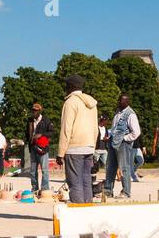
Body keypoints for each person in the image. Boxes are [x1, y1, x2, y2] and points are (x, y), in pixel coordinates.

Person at [59, 74, 99, 202]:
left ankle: (78, 210)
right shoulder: (91, 103)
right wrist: (93, 147)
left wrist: (61, 152)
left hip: (74, 147)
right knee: (86, 180)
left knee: (74, 182)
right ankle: (87, 210)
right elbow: (95, 128)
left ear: (70, 87)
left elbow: (66, 129)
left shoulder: (70, 102)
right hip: (89, 146)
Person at [107, 94, 140, 199]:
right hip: (113, 143)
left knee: (124, 168)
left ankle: (126, 192)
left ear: (126, 102)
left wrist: (125, 138)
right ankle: (108, 190)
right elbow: (114, 127)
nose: (118, 102)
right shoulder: (117, 112)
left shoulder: (131, 114)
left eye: (120, 100)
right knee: (110, 168)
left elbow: (136, 132)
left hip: (123, 145)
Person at [25, 102, 53, 197]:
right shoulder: (29, 121)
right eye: (33, 110)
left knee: (44, 170)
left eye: (36, 110)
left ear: (40, 111)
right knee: (33, 171)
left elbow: (52, 132)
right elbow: (27, 133)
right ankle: (34, 188)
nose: (34, 112)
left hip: (43, 148)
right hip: (33, 147)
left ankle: (45, 189)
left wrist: (42, 135)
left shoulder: (46, 120)